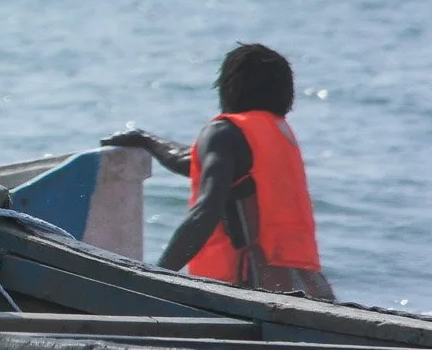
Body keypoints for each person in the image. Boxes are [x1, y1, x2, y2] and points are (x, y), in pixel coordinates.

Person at [103, 43, 333, 300]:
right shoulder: (280, 135)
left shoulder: (225, 133)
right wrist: (146, 140)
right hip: (311, 289)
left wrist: (153, 279)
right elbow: (194, 161)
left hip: (245, 291)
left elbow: (205, 214)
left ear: (229, 88)